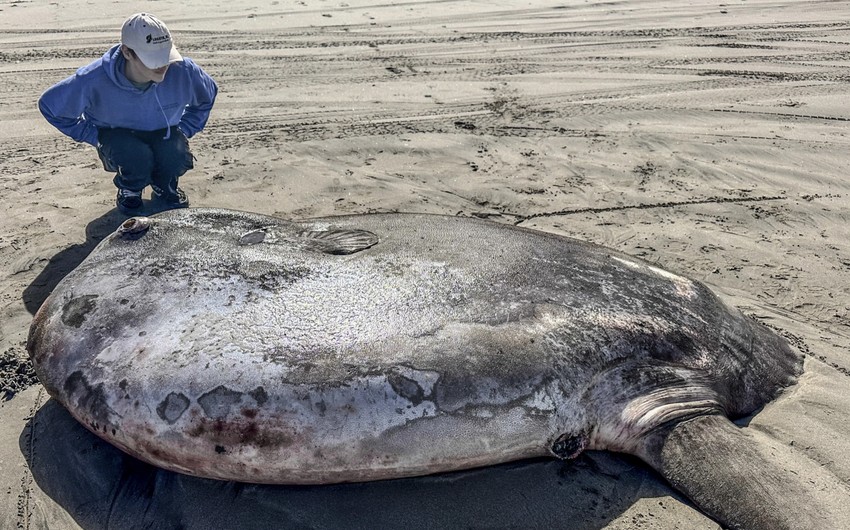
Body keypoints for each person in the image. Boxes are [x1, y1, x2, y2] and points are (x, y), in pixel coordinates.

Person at [38, 13, 218, 215]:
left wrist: (185, 129)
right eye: (152, 58)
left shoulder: (184, 70)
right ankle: (130, 190)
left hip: (164, 132)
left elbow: (207, 95)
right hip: (117, 137)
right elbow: (51, 106)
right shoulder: (93, 79)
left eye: (165, 55)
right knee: (135, 157)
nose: (162, 65)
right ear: (127, 52)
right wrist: (94, 137)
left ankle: (165, 185)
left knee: (175, 153)